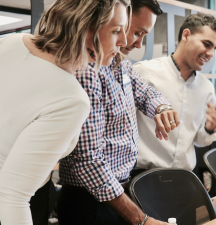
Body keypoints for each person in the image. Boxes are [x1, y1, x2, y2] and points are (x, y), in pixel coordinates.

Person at [0, 0, 131, 224]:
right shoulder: (71, 99)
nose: (125, 41)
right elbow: (11, 196)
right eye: (116, 31)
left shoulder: (13, 42)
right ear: (84, 27)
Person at [58, 1, 174, 224]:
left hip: (116, 191)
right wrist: (141, 219)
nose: (137, 44)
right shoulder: (87, 70)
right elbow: (88, 161)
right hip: (90, 201)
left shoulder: (119, 62)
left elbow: (145, 92)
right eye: (136, 32)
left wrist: (162, 108)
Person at [131, 13, 216, 174]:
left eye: (214, 48)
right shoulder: (145, 72)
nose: (210, 54)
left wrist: (210, 127)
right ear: (186, 35)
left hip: (184, 177)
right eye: (206, 44)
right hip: (143, 175)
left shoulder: (206, 87)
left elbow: (200, 140)